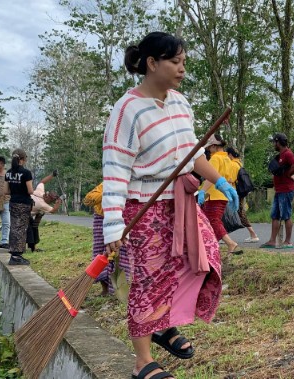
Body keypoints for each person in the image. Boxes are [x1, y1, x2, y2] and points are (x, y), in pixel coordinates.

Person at [103, 32, 237, 379]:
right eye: (175, 62)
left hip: (180, 204)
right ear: (152, 63)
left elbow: (191, 154)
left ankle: (163, 325)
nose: (182, 69)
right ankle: (143, 362)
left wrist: (220, 181)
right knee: (149, 280)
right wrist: (113, 225)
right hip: (143, 207)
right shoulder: (127, 110)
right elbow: (116, 171)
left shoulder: (179, 102)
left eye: (184, 63)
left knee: (202, 259)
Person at [198, 134, 242, 255]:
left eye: (209, 148)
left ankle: (230, 243)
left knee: (213, 220)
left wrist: (202, 191)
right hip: (224, 194)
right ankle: (211, 246)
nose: (208, 150)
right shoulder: (228, 159)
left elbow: (210, 177)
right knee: (209, 221)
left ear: (213, 146)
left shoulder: (215, 158)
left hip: (213, 195)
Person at [83, 183, 130, 296]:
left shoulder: (132, 185)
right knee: (101, 254)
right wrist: (110, 193)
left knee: (123, 254)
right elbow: (88, 199)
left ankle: (120, 289)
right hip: (101, 220)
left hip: (122, 220)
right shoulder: (106, 184)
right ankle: (105, 289)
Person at [260, 133, 294, 249]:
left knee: (286, 215)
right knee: (275, 215)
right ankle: (272, 241)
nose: (273, 144)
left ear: (278, 142)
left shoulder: (288, 153)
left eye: (274, 142)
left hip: (286, 190)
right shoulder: (281, 155)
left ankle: (288, 241)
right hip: (279, 190)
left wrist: (289, 174)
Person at [5, 149, 34, 266]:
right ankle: (16, 255)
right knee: (21, 229)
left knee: (14, 227)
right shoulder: (26, 173)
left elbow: (5, 191)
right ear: (23, 159)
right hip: (24, 204)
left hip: (13, 203)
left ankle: (13, 253)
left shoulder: (8, 173)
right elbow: (30, 190)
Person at [226, 146, 259, 243]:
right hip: (239, 192)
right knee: (236, 213)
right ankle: (224, 235)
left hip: (234, 192)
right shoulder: (239, 163)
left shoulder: (232, 164)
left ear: (230, 155)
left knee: (240, 213)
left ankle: (253, 234)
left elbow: (230, 180)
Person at [28, 171, 62, 252]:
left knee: (35, 226)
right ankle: (30, 247)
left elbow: (42, 182)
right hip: (25, 214)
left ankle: (33, 248)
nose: (50, 202)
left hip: (26, 212)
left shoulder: (40, 190)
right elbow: (53, 211)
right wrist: (58, 203)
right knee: (31, 229)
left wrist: (52, 175)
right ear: (47, 196)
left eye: (52, 201)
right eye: (50, 200)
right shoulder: (42, 204)